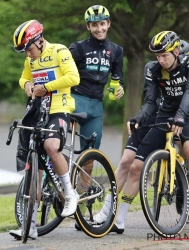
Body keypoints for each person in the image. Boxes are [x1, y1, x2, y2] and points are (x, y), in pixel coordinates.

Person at [107, 31, 189, 234]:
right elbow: (151, 102)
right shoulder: (153, 69)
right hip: (165, 116)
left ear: (176, 51)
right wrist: (139, 118)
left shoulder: (187, 65)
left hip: (186, 115)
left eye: (164, 55)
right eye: (157, 56)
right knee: (136, 166)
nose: (160, 60)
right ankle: (119, 219)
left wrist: (180, 116)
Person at [9, 19, 80, 240]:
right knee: (33, 169)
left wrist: (46, 87)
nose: (27, 54)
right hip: (39, 111)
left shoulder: (59, 50)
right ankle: (29, 226)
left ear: (39, 41)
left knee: (51, 145)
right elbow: (24, 78)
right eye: (23, 51)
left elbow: (73, 77)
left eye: (28, 48)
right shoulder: (30, 61)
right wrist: (27, 86)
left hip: (60, 107)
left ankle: (70, 194)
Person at [69, 4, 124, 231]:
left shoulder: (117, 51)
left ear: (108, 24)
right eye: (94, 25)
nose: (99, 28)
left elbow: (115, 83)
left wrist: (118, 90)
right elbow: (65, 74)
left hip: (96, 107)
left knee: (89, 159)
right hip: (75, 100)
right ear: (88, 27)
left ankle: (80, 210)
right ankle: (52, 188)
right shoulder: (78, 48)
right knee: (62, 148)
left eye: (103, 24)